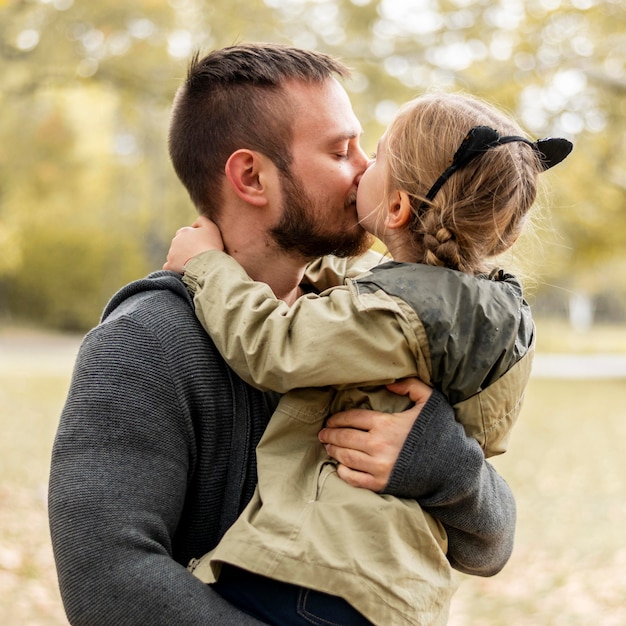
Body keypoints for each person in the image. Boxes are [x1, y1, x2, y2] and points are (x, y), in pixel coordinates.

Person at [49, 44, 518, 626]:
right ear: (252, 176)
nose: (367, 169)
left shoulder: (370, 320)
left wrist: (444, 463)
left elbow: (490, 546)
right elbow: (109, 583)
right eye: (341, 151)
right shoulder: (144, 343)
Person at [164, 90, 573, 625]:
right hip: (395, 586)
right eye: (341, 152)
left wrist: (207, 266)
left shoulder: (399, 316)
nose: (360, 168)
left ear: (398, 207)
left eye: (375, 155)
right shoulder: (480, 311)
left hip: (325, 575)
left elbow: (275, 346)